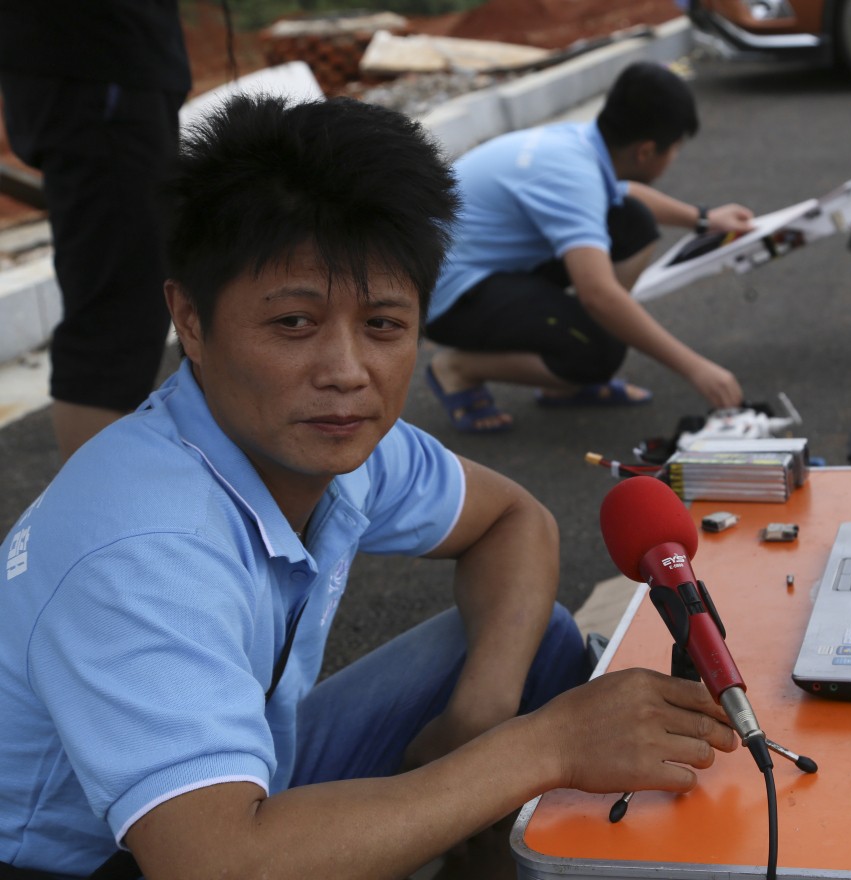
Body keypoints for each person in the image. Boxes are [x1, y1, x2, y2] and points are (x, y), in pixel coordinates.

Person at [0, 95, 739, 879]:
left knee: (535, 643)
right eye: (293, 323)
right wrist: (542, 747)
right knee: (548, 726)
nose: (347, 373)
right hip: (101, 859)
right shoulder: (144, 545)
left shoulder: (320, 438)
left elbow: (516, 522)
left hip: (239, 792)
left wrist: (478, 720)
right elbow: (212, 863)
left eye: (383, 325)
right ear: (189, 316)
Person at [423, 61, 755, 433]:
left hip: (475, 267)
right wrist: (697, 368)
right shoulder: (573, 176)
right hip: (446, 299)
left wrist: (705, 219)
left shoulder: (580, 144)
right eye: (673, 149)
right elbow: (597, 294)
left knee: (631, 222)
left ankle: (564, 368)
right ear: (646, 151)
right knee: (599, 351)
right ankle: (457, 368)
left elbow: (624, 195)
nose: (672, 157)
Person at [0, 0, 192, 462]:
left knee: (144, 295)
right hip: (97, 67)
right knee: (116, 315)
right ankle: (100, 523)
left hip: (115, 67)